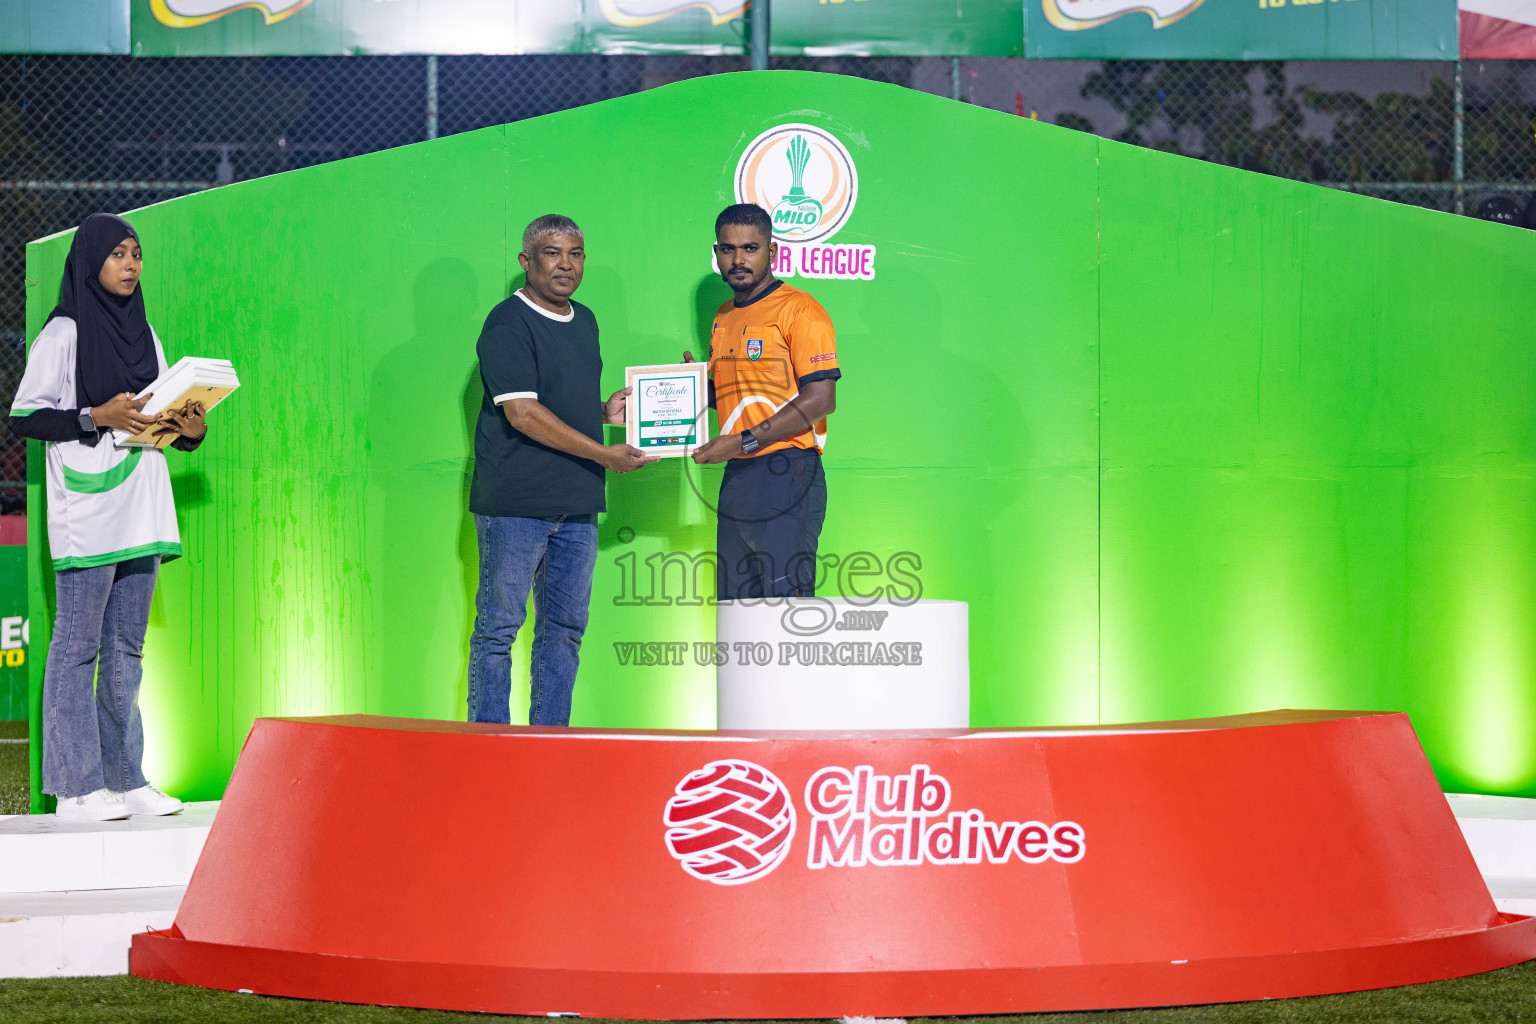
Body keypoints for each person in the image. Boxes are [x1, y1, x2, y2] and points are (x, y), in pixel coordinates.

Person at [8, 213, 208, 821]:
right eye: (118, 253)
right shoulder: (63, 333)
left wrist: (192, 429)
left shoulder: (145, 333)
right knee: (76, 644)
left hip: (143, 504)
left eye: (137, 254)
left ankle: (126, 779)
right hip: (89, 510)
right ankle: (75, 789)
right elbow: (24, 417)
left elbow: (160, 415)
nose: (129, 264)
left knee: (127, 646)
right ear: (90, 261)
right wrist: (95, 416)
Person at [468, 214, 655, 726]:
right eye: (552, 253)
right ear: (527, 261)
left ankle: (549, 744)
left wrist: (602, 413)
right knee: (499, 629)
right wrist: (604, 454)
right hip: (516, 505)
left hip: (576, 503)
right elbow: (522, 412)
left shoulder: (586, 320)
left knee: (565, 631)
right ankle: (488, 746)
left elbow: (552, 397)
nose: (565, 264)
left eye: (575, 253)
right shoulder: (506, 322)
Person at [685, 203, 841, 599]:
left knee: (785, 608)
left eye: (750, 248)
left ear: (771, 252)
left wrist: (744, 441)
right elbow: (735, 399)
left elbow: (821, 398)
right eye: (727, 249)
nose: (738, 260)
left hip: (786, 470)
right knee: (737, 603)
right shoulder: (723, 315)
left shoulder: (800, 309)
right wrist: (689, 388)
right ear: (717, 252)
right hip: (738, 473)